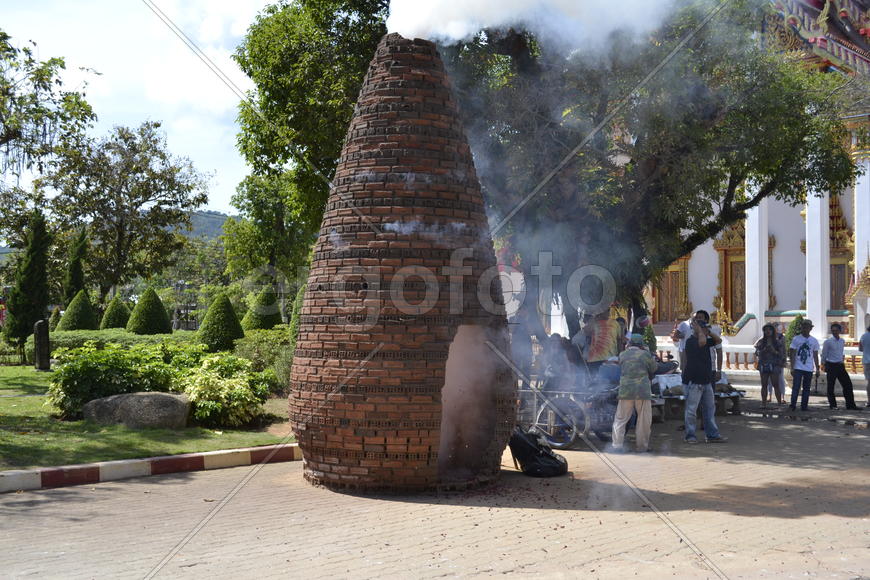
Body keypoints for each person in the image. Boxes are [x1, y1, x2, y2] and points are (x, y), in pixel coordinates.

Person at [681, 317, 727, 444]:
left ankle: (712, 435)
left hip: (706, 381)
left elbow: (719, 340)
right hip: (693, 382)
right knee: (691, 410)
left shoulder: (706, 339)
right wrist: (700, 331)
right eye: (702, 328)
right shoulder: (690, 341)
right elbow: (701, 342)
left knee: (709, 409)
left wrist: (708, 331)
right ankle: (690, 435)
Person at [611, 334, 658, 453]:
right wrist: (649, 353)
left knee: (621, 418)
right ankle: (642, 447)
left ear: (630, 343)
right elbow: (654, 368)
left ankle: (617, 446)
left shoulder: (622, 354)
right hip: (642, 391)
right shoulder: (645, 355)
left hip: (625, 391)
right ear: (641, 344)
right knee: (643, 420)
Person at [821, 323, 860, 410]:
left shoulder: (842, 341)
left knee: (848, 385)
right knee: (831, 386)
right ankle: (833, 405)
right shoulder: (828, 342)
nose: (835, 332)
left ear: (840, 331)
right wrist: (822, 364)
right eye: (833, 331)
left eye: (836, 330)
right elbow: (824, 354)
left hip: (840, 365)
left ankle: (850, 405)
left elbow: (840, 353)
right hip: (831, 365)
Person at [672, 310, 723, 375]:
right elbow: (685, 355)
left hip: (710, 369)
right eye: (696, 318)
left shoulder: (713, 333)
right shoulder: (689, 335)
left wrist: (719, 370)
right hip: (693, 370)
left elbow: (719, 347)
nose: (698, 320)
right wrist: (684, 371)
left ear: (706, 320)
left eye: (700, 318)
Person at [788, 319, 820, 412]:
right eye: (804, 327)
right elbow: (792, 353)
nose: (805, 329)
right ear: (802, 328)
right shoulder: (796, 339)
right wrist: (792, 366)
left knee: (806, 388)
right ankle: (792, 405)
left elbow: (815, 355)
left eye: (807, 327)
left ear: (810, 328)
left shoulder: (814, 340)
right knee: (796, 387)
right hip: (798, 367)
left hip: (809, 368)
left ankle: (804, 406)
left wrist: (817, 368)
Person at [754, 323, 786, 407]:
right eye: (766, 330)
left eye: (770, 329)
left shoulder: (777, 342)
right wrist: (763, 350)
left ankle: (779, 403)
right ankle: (763, 403)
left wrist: (773, 351)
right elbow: (757, 353)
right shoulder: (761, 342)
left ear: (773, 331)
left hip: (774, 364)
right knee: (764, 384)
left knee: (776, 384)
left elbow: (781, 354)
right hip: (763, 364)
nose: (768, 331)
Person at [860, 325, 870, 407]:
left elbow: (860, 348)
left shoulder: (864, 336)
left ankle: (869, 401)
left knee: (869, 382)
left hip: (867, 361)